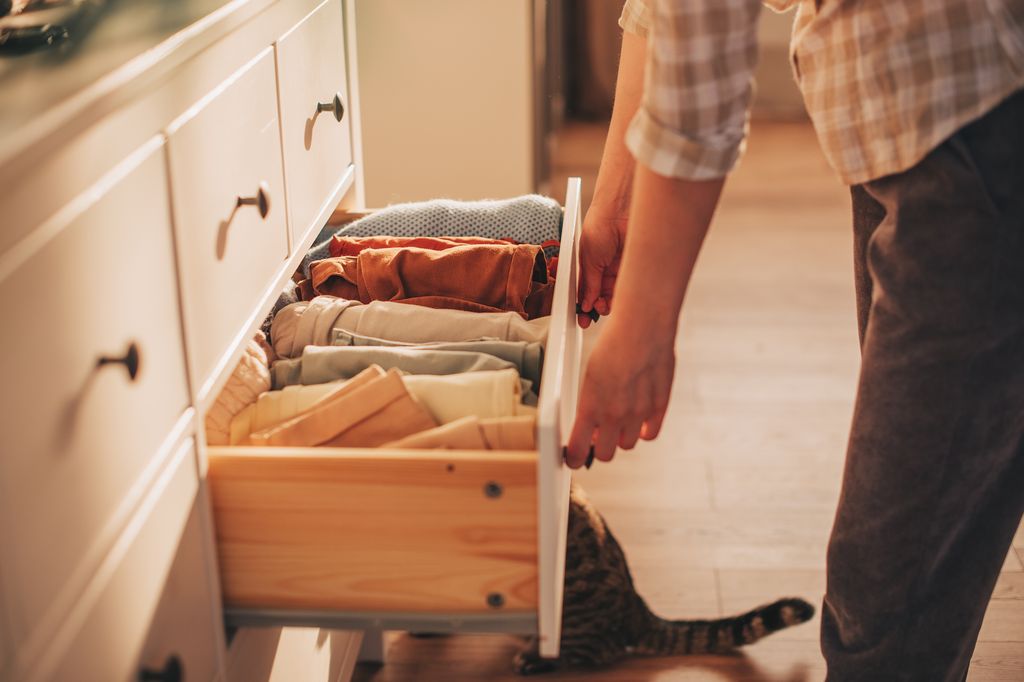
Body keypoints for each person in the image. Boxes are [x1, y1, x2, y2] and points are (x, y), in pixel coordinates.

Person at [564, 1, 1024, 680]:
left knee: (889, 610)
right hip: (901, 131)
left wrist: (641, 329)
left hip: (973, 135)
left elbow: (700, 98)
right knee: (928, 538)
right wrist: (612, 204)